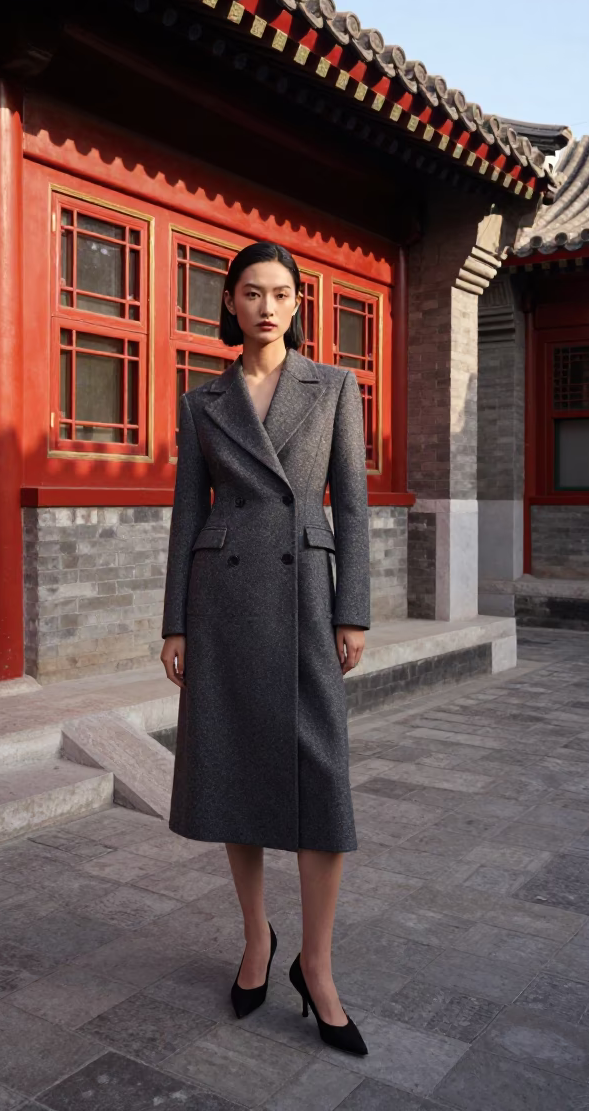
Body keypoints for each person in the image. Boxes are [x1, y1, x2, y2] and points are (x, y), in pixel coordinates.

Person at [160, 240, 370, 1055]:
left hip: (306, 596)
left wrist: (352, 610)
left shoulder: (334, 386)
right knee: (233, 769)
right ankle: (257, 939)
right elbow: (188, 513)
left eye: (281, 293)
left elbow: (351, 505)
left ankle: (317, 965)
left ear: (296, 303)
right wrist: (175, 622)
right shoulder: (202, 400)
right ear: (230, 301)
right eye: (252, 292)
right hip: (222, 600)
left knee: (323, 779)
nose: (268, 306)